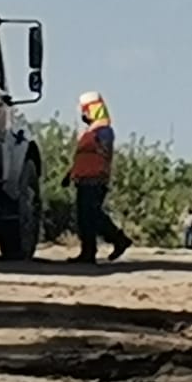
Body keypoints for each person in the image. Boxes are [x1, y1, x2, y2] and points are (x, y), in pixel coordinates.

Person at [61, 91, 133, 264]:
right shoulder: (89, 132)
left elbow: (103, 154)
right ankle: (89, 252)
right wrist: (69, 174)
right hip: (83, 179)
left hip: (95, 179)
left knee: (92, 215)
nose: (83, 115)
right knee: (85, 217)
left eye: (86, 110)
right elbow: (83, 156)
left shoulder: (104, 131)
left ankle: (117, 239)